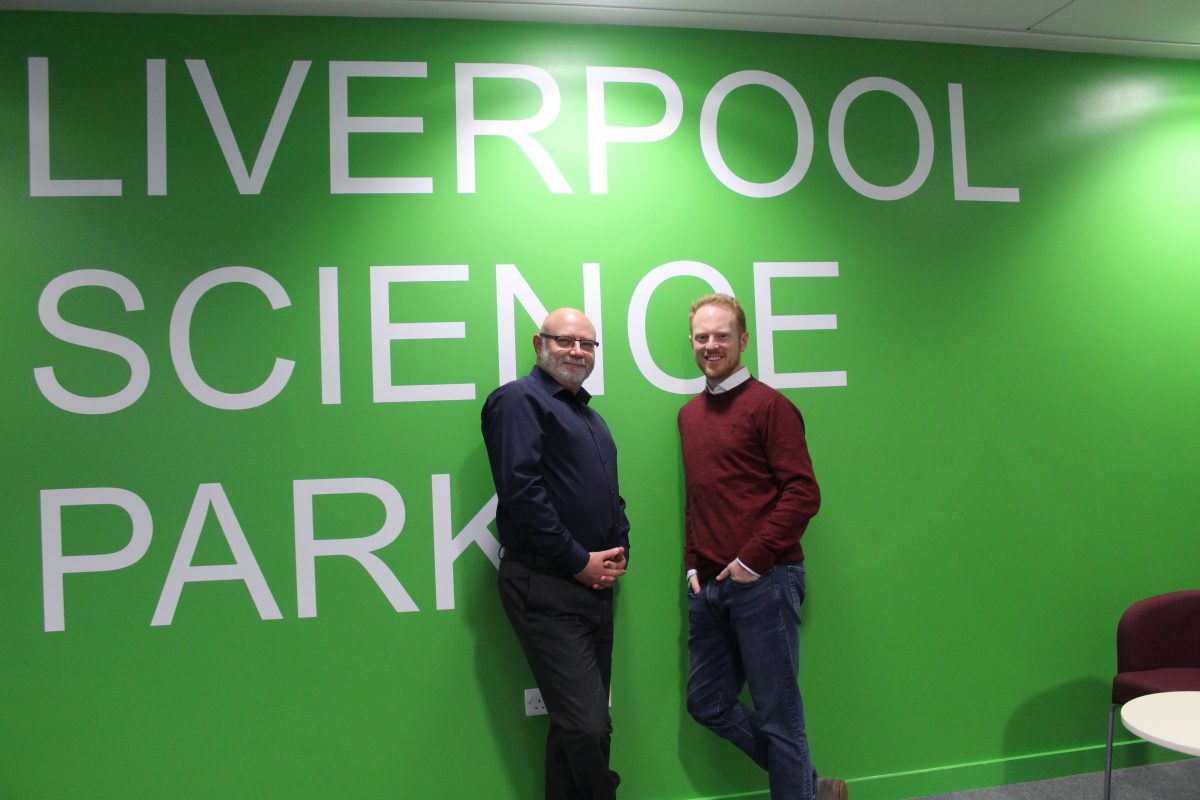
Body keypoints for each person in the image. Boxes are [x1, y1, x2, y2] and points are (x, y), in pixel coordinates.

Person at [678, 293, 847, 800]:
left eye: (722, 335)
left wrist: (753, 559)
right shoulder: (689, 416)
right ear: (691, 342)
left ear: (743, 340)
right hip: (708, 587)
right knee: (707, 703)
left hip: (765, 579)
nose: (711, 344)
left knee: (780, 718)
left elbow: (803, 493)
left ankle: (802, 788)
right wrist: (691, 563)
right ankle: (810, 787)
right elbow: (698, 496)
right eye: (702, 336)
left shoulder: (770, 406)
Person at [482, 307, 630, 800]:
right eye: (565, 341)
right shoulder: (517, 401)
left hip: (592, 588)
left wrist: (620, 546)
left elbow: (611, 494)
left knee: (576, 726)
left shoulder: (590, 416)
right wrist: (578, 561)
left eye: (587, 344)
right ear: (538, 343)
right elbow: (522, 495)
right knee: (588, 727)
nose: (577, 352)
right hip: (544, 584)